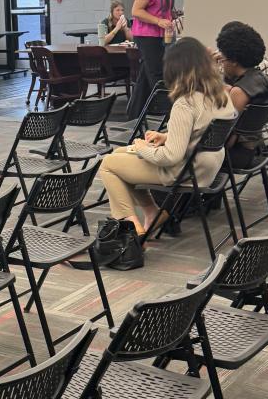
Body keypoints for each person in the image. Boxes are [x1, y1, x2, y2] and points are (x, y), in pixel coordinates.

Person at [94, 37, 235, 270]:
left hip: (184, 171)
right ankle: (152, 212)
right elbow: (201, 131)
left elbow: (170, 157)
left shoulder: (185, 102)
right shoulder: (220, 93)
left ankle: (131, 229)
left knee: (109, 164)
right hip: (206, 166)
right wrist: (167, 136)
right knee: (120, 153)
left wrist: (142, 148)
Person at [128, 0, 182, 119]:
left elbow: (163, 10)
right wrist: (158, 21)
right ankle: (170, 114)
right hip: (146, 36)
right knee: (158, 74)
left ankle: (133, 115)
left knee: (145, 75)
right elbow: (136, 11)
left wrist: (172, 18)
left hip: (160, 35)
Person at [215, 22, 268, 169]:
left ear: (234, 61)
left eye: (223, 58)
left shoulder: (239, 92)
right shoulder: (261, 78)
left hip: (233, 156)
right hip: (250, 151)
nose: (222, 63)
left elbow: (223, 138)